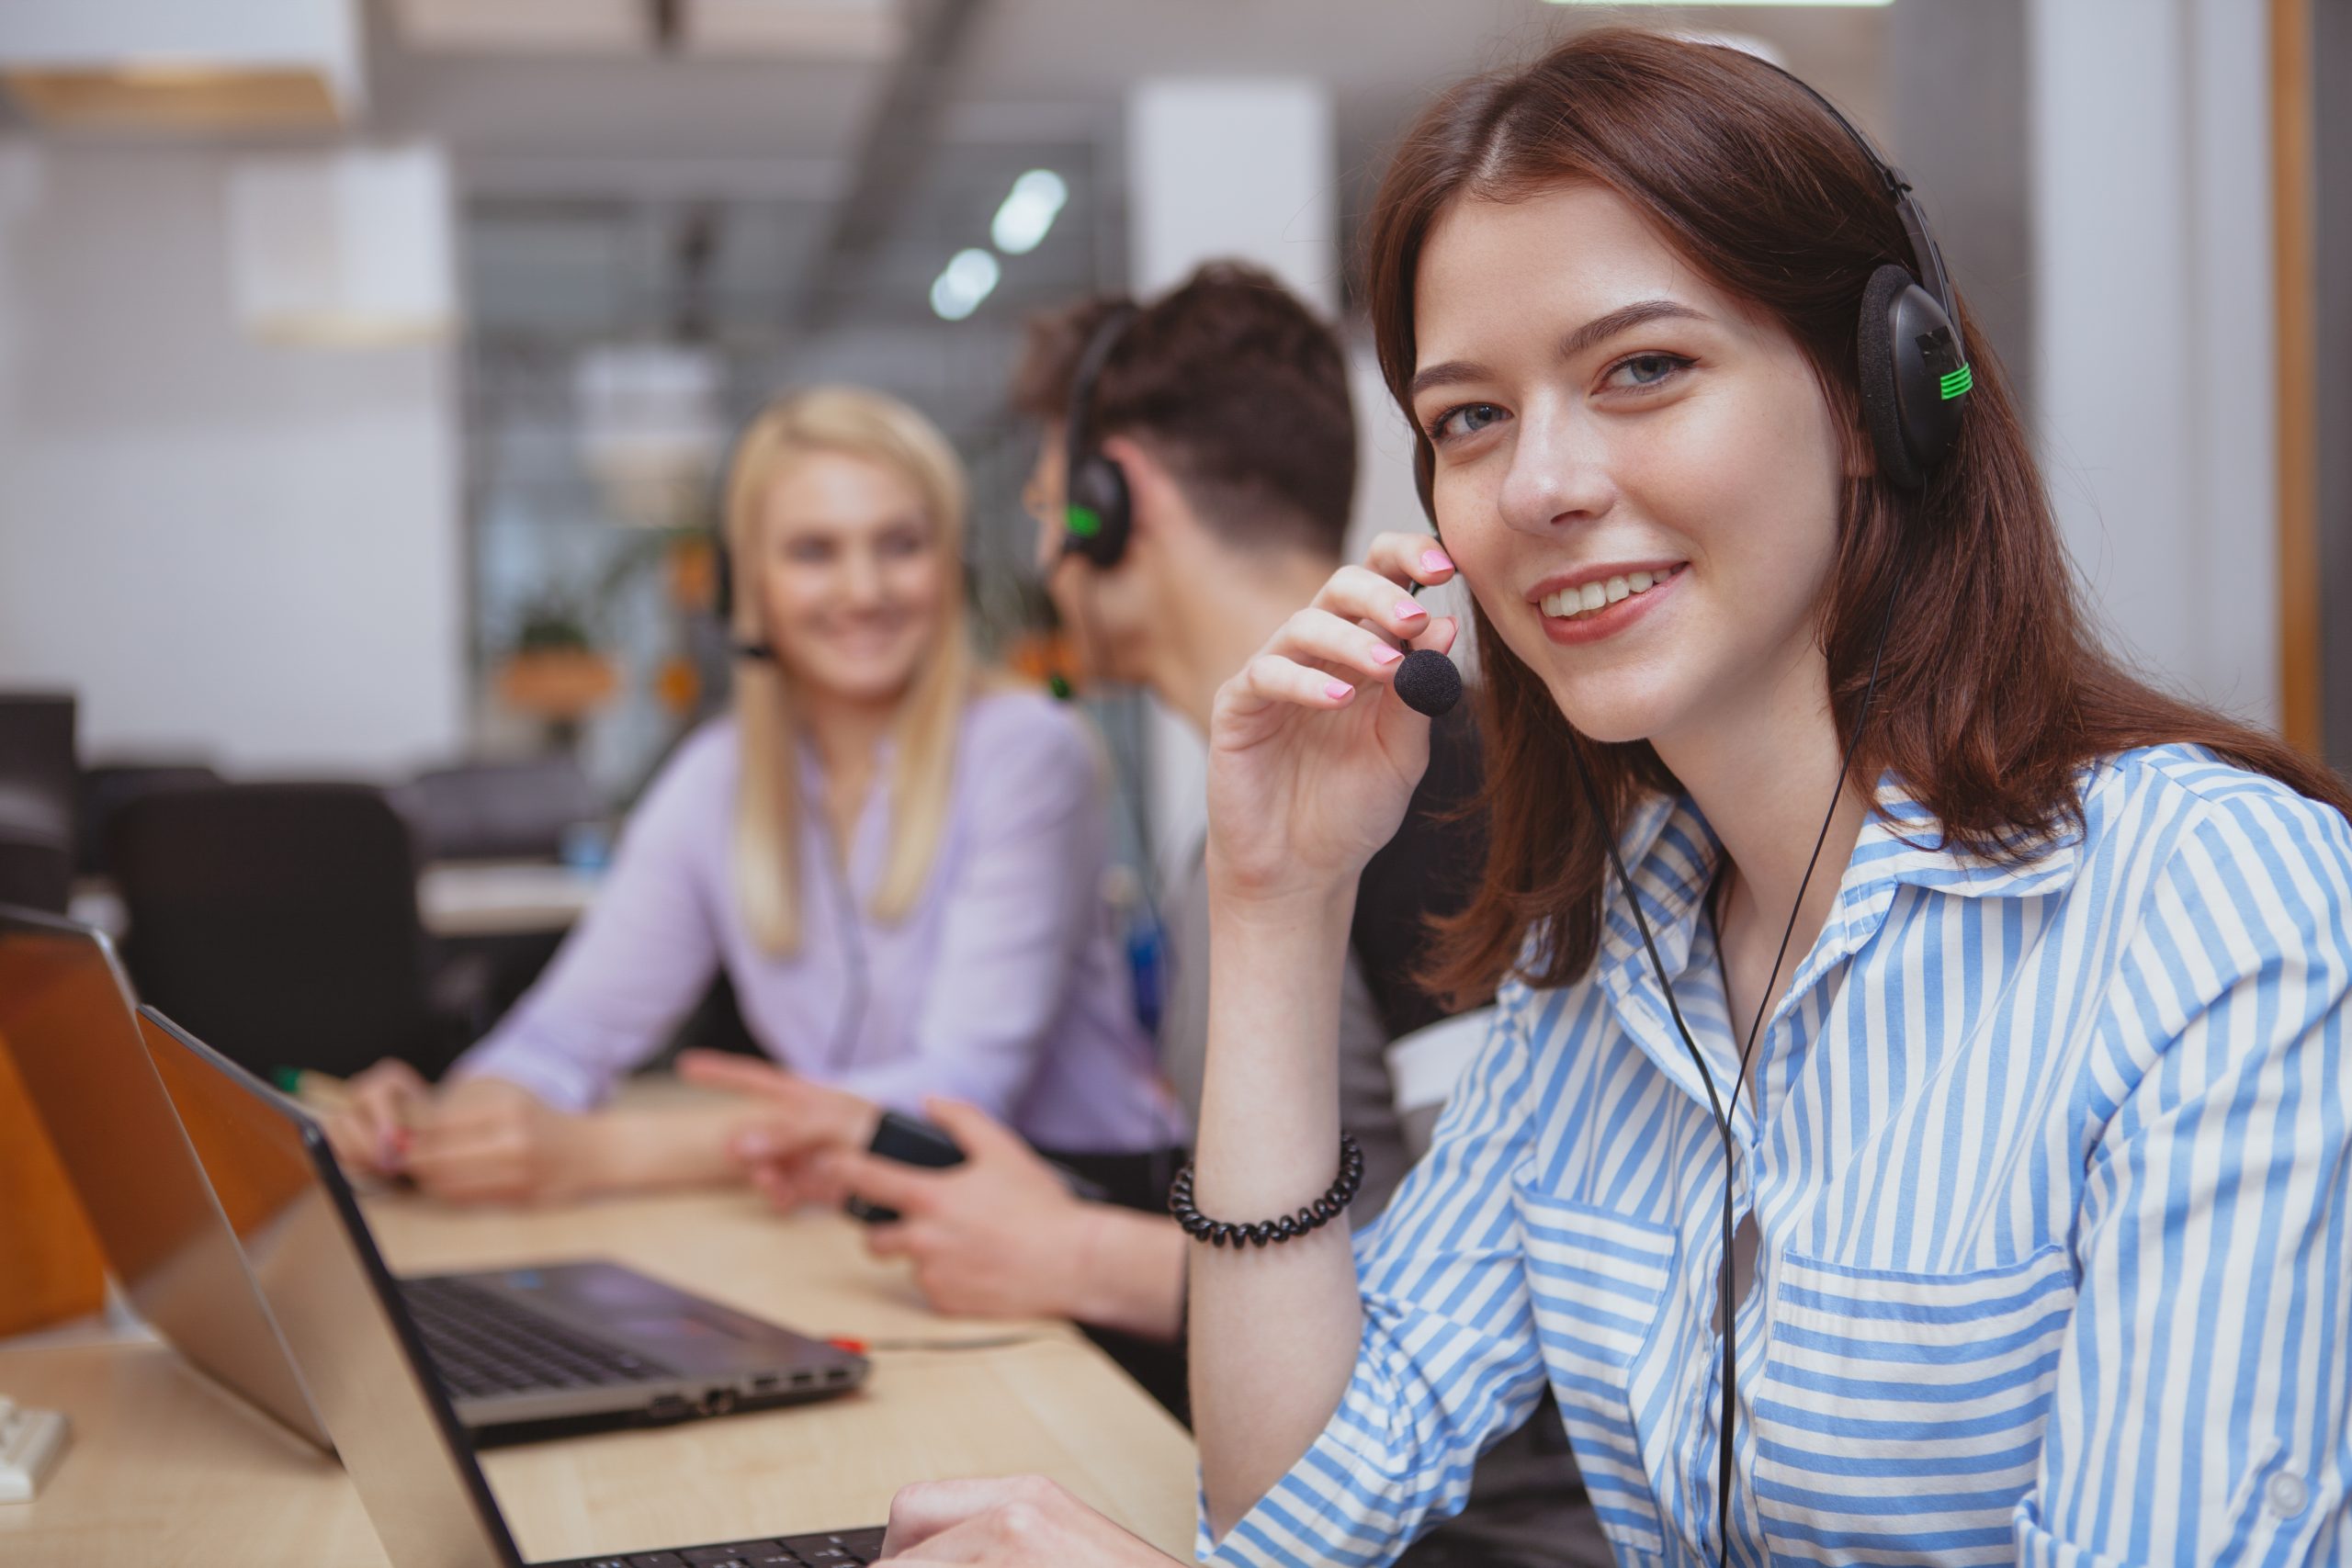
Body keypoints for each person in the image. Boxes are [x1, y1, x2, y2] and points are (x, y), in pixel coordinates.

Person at [859, 30, 2352, 1567]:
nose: (1541, 486)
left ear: (1871, 392)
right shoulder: (1613, 958)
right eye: (1470, 419)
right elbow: (1294, 1512)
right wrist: (1279, 899)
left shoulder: (2214, 907)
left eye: (1644, 368)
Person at [725, 267, 1600, 1567]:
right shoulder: (1261, 824)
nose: (1039, 559)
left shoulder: (1426, 778)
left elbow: (1523, 1297)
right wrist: (1064, 1210)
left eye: (1044, 508)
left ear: (1111, 498)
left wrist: (1084, 1251)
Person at [323, 386, 1182, 1205]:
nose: (863, 590)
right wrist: (446, 1122)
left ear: (950, 567)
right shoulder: (716, 779)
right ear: (750, 588)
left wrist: (600, 1154)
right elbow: (561, 1038)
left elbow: (959, 1092)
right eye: (814, 552)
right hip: (870, 1219)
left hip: (1086, 1202)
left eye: (901, 544)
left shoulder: (1030, 750)